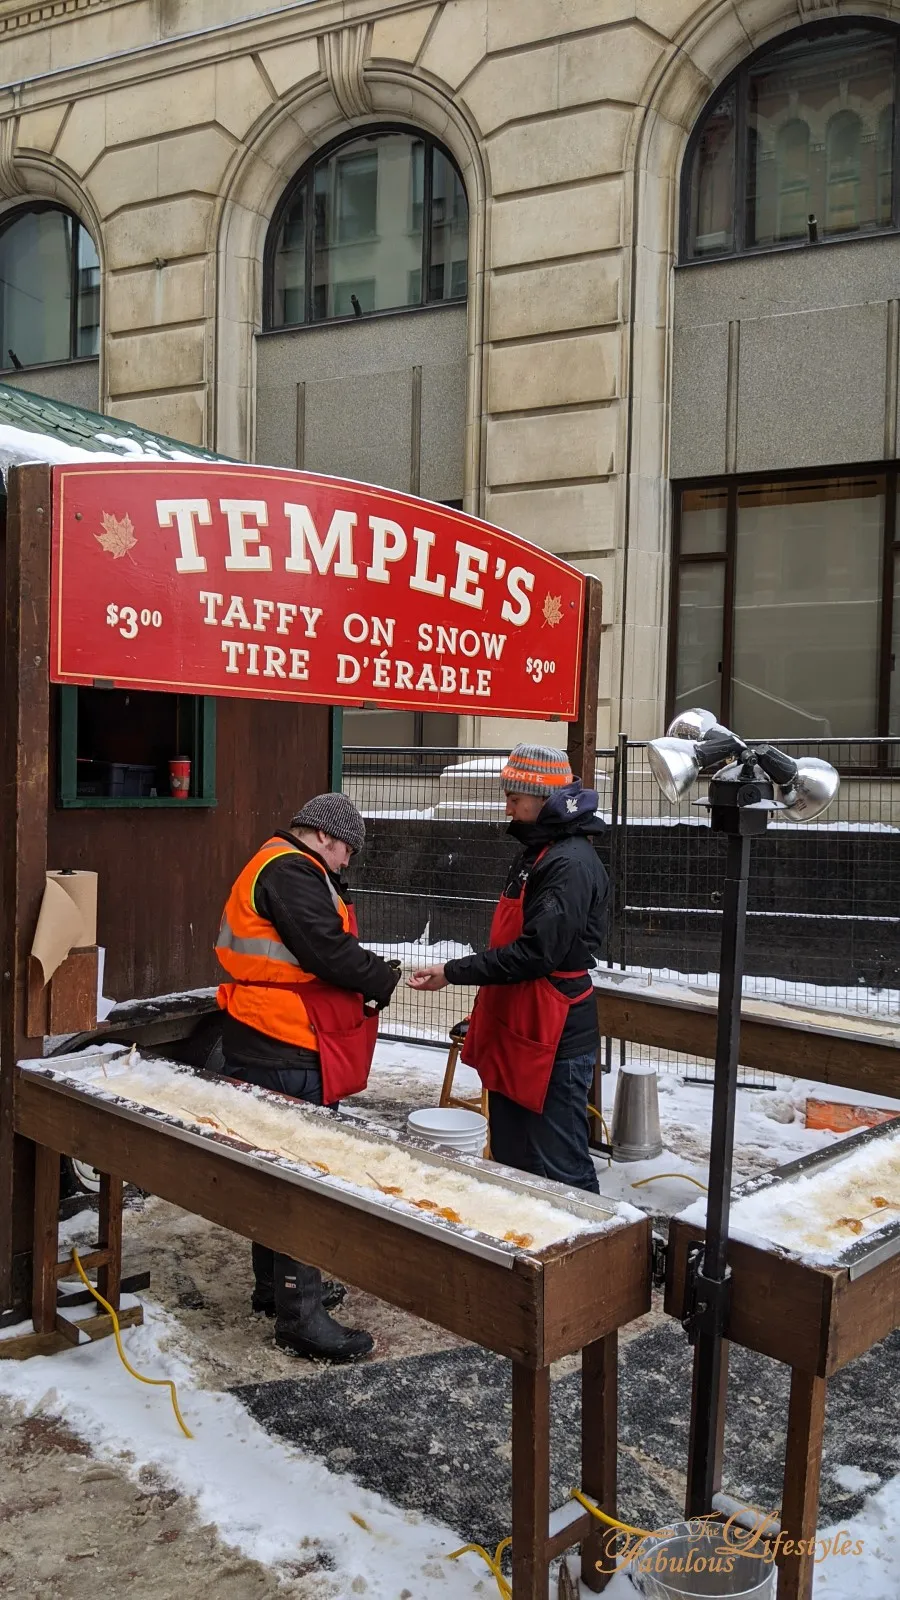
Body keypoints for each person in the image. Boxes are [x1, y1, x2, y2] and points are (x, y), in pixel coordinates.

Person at [215, 793, 400, 1361]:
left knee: (274, 1166)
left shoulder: (279, 864)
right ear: (324, 836)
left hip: (267, 1033)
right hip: (284, 1040)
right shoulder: (292, 870)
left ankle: (278, 1289)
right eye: (347, 851)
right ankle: (301, 1317)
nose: (347, 862)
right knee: (303, 1172)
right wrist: (381, 977)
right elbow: (326, 950)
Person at [409, 745, 607, 1193]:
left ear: (545, 798)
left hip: (553, 1034)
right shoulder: (538, 852)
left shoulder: (569, 863)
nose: (508, 808)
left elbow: (537, 953)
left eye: (514, 798)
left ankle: (587, 1233)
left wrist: (453, 971)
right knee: (514, 1154)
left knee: (561, 1164)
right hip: (519, 1024)